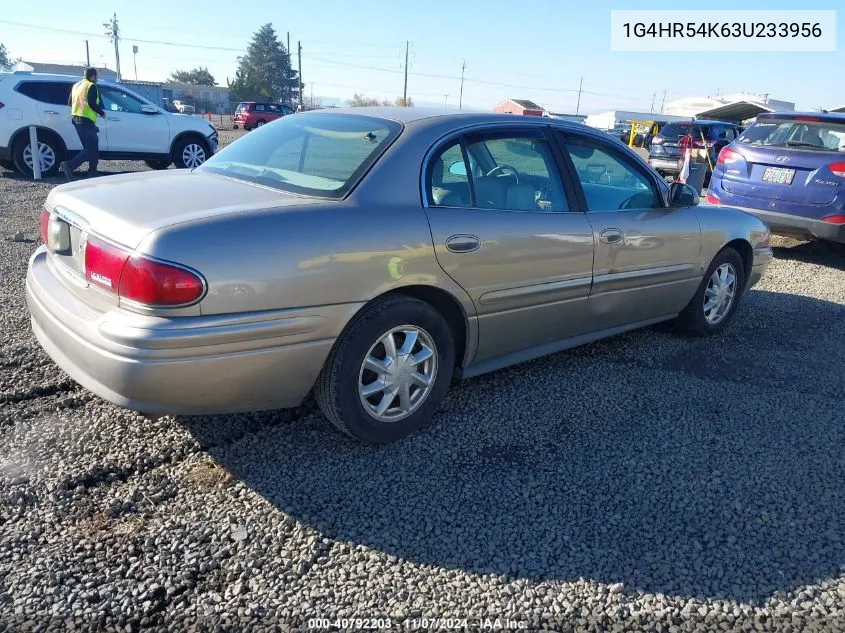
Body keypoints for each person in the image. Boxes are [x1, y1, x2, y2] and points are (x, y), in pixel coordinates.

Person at [60, 68, 106, 180]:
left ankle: (92, 172)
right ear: (93, 76)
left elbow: (70, 102)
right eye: (97, 76)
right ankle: (70, 166)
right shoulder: (91, 86)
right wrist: (102, 113)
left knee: (91, 146)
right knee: (91, 147)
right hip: (86, 120)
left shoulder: (76, 85)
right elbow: (91, 103)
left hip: (76, 119)